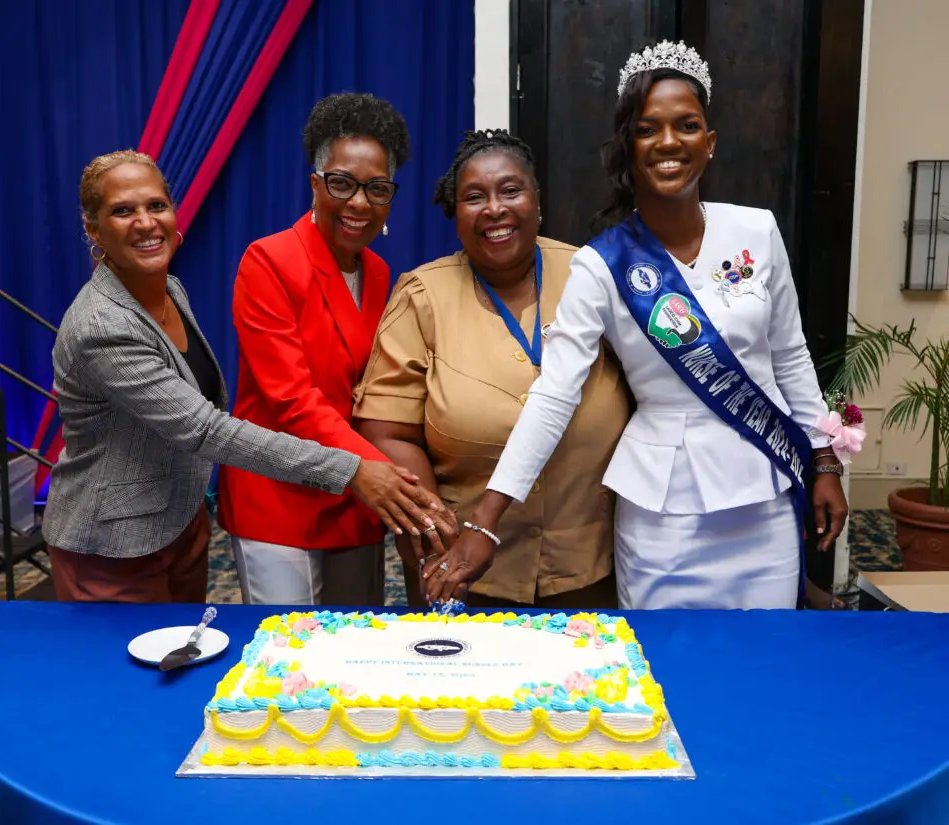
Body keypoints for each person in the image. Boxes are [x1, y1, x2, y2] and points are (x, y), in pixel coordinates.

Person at [422, 41, 848, 610]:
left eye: (687, 125)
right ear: (630, 146)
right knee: (660, 660)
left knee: (764, 653)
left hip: (763, 501)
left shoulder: (758, 231)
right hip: (661, 513)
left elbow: (790, 356)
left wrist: (823, 459)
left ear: (710, 141)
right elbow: (553, 396)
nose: (669, 142)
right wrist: (486, 521)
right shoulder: (601, 265)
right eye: (648, 129)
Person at [43, 150, 445, 604]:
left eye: (156, 205)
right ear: (94, 230)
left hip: (180, 525)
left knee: (189, 652)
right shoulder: (102, 325)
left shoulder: (167, 288)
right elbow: (204, 428)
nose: (146, 222)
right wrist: (353, 469)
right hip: (113, 543)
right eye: (123, 211)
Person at [355, 129, 631, 609]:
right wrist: (434, 532)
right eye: (474, 197)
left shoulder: (592, 275)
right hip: (464, 570)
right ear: (455, 214)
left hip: (590, 560)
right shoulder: (422, 296)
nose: (494, 209)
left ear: (537, 201)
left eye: (510, 190)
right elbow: (386, 432)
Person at [216, 93, 454, 607]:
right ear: (315, 185)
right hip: (282, 494)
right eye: (342, 183)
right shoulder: (268, 261)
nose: (359, 203)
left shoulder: (380, 273)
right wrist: (382, 473)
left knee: (353, 645)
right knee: (289, 649)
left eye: (377, 189)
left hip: (356, 500)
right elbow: (291, 400)